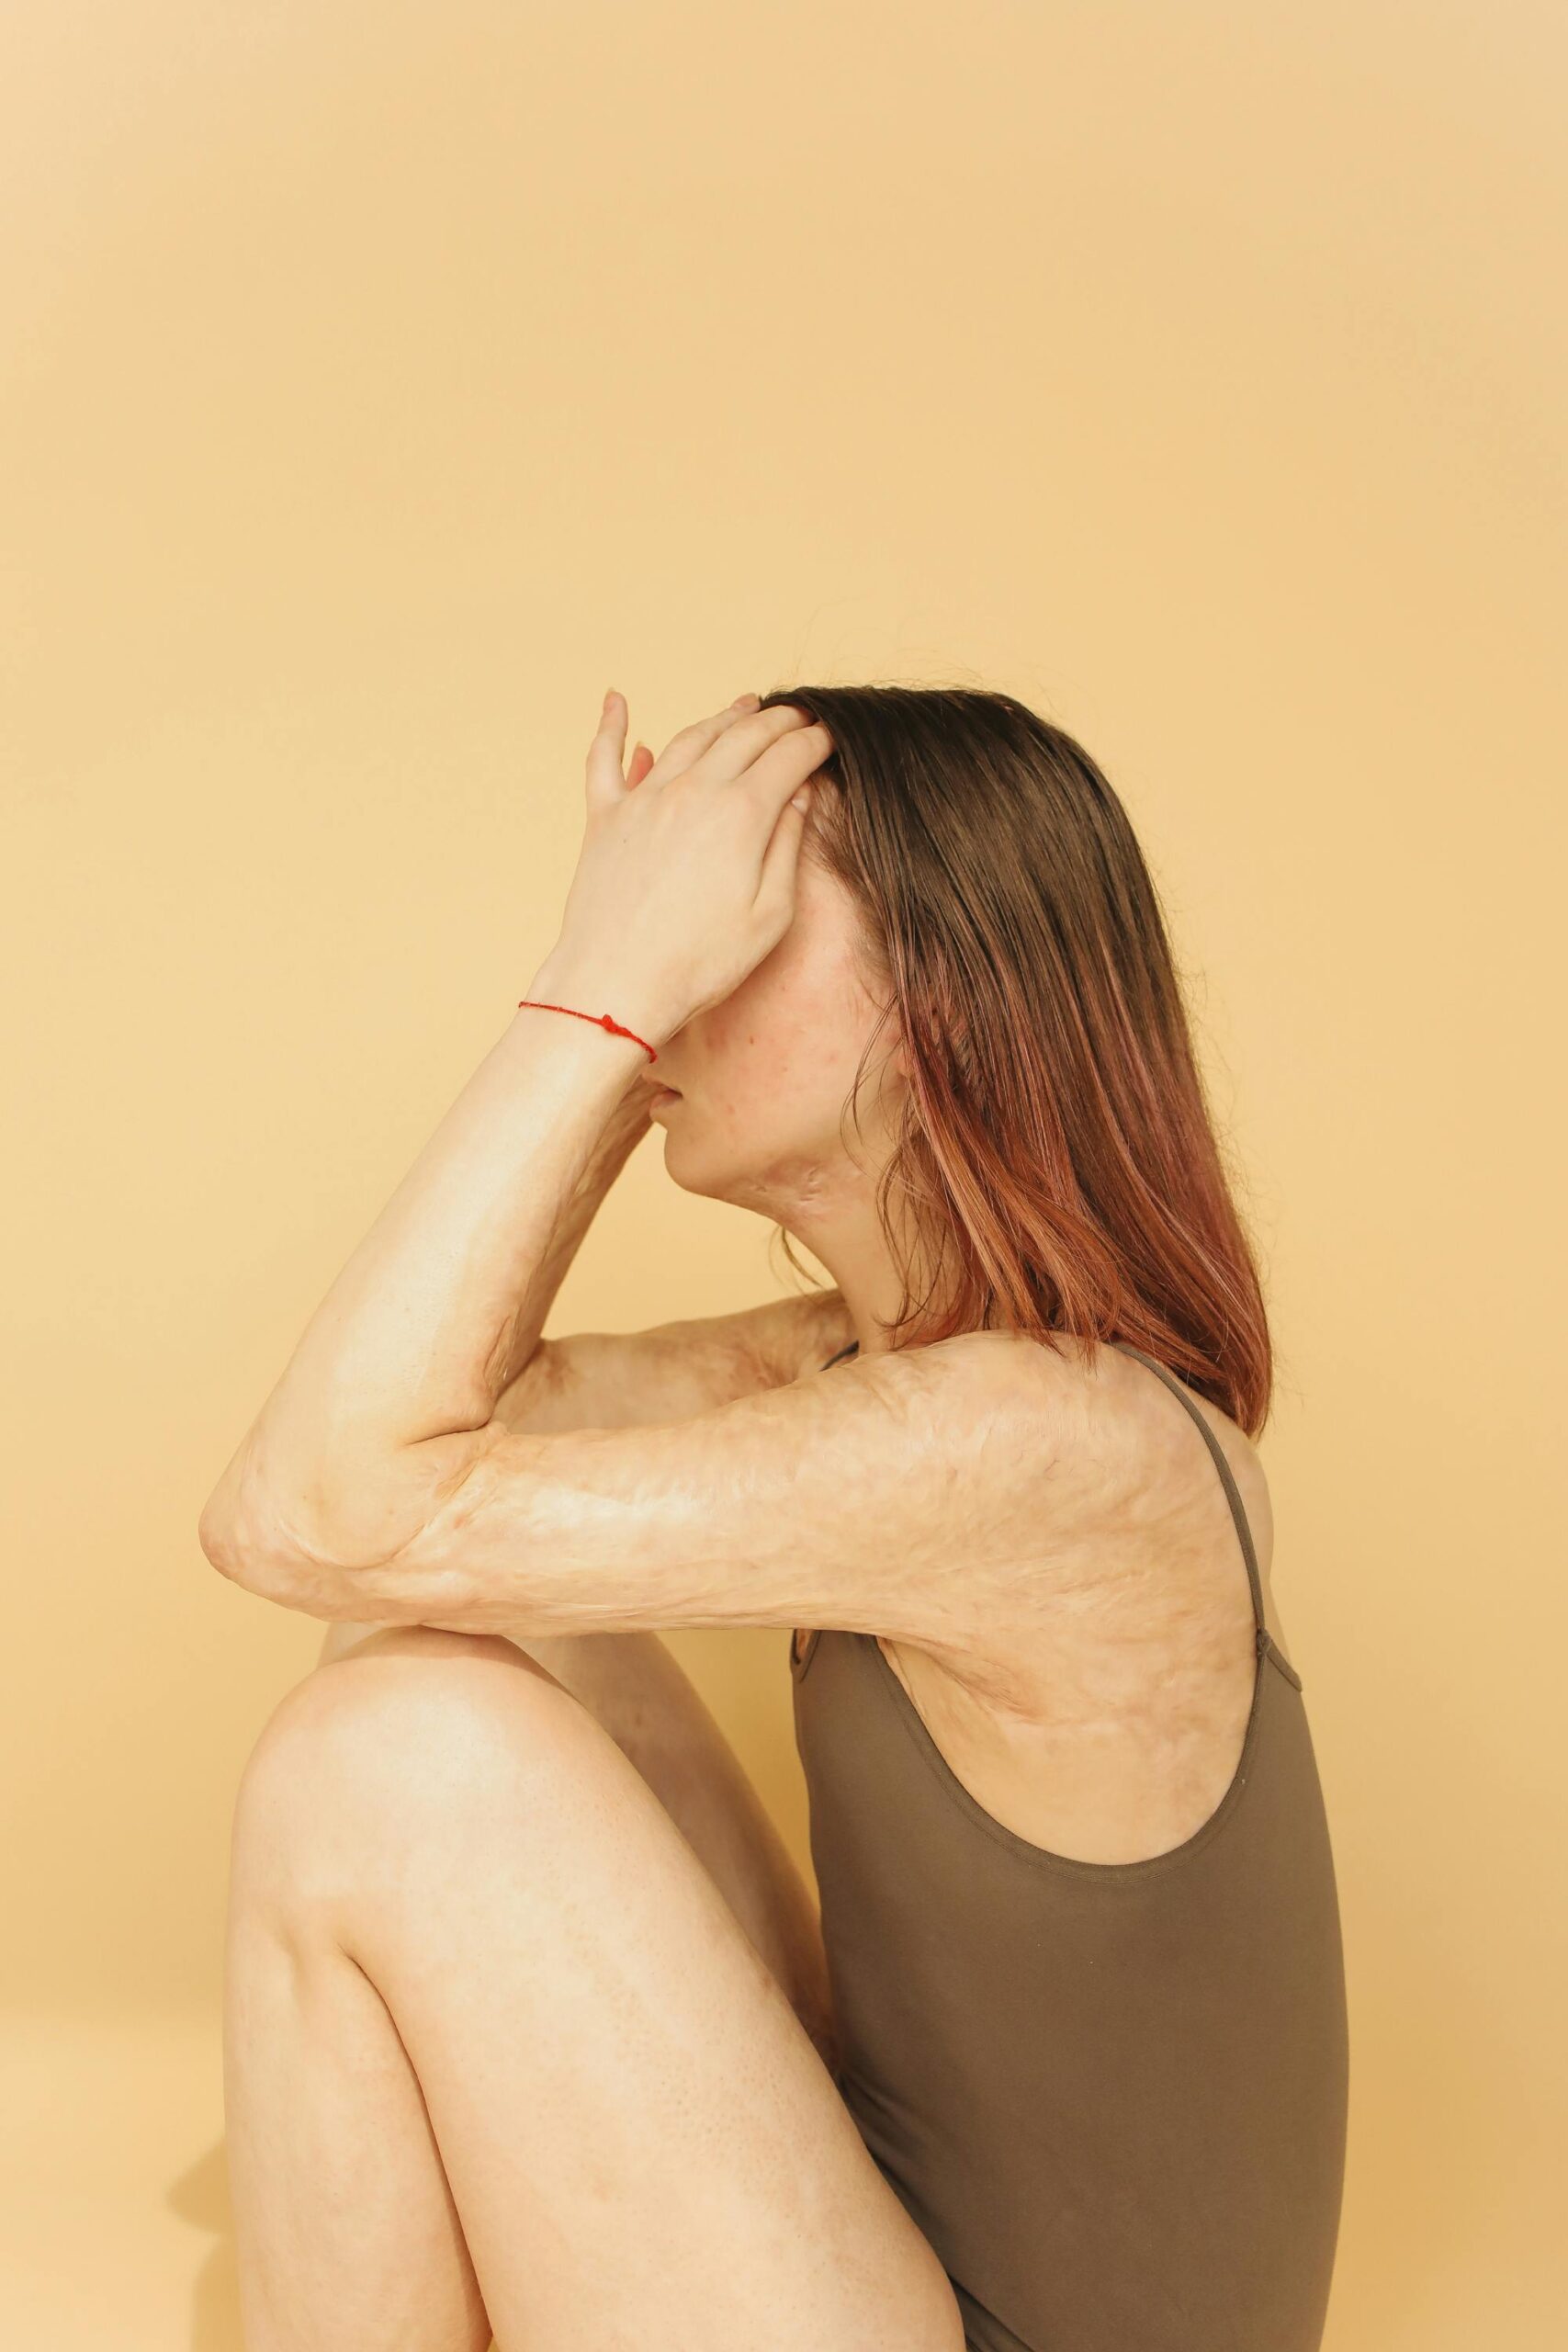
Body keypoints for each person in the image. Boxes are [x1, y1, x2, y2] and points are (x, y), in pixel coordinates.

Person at [199, 683, 1348, 2352]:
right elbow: (402, 1456)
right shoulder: (877, 1373)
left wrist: (595, 1004)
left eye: (735, 922)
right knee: (451, 1613)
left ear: (935, 994)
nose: (677, 981)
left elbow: (314, 1507)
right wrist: (613, 1013)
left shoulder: (1061, 1446)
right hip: (894, 2276)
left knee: (381, 1756)